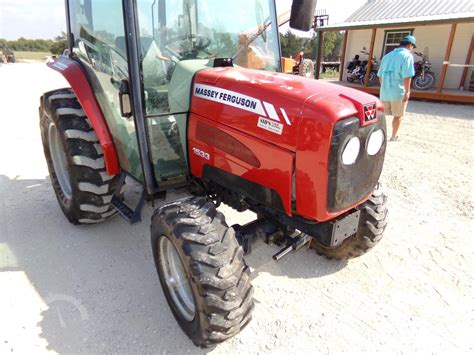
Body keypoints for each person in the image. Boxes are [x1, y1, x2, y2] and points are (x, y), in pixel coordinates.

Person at [377, 35, 416, 141]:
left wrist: (384, 87)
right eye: (413, 47)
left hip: (385, 91)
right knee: (398, 115)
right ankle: (394, 136)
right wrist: (407, 92)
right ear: (410, 45)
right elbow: (407, 76)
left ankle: (379, 136)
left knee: (382, 116)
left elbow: (380, 76)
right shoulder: (407, 56)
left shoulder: (387, 56)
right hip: (398, 92)